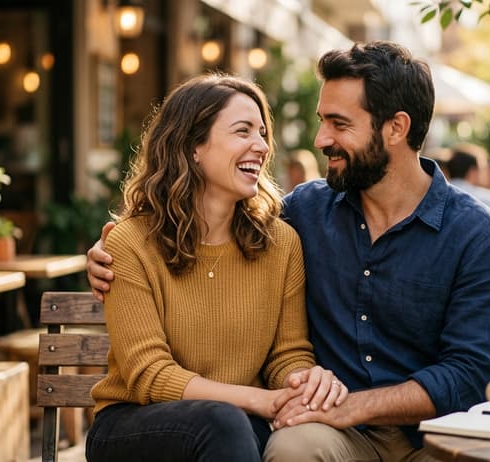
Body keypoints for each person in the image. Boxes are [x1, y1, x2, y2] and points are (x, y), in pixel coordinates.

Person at [88, 41, 490, 461]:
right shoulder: (303, 214)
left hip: (435, 436)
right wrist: (109, 252)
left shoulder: (476, 236)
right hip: (318, 431)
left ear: (396, 128)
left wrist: (336, 398)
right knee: (287, 445)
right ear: (192, 146)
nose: (320, 139)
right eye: (321, 121)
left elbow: (469, 373)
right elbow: (187, 243)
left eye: (339, 124)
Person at [84, 74, 347, 462]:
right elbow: (149, 374)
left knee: (269, 434)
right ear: (193, 146)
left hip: (237, 425)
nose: (260, 146)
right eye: (242, 131)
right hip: (134, 425)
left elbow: (286, 354)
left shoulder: (281, 244)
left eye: (262, 133)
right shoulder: (130, 243)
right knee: (226, 424)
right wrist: (259, 399)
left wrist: (302, 382)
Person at [444, 143, 490, 219]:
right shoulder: (488, 200)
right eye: (483, 168)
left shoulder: (436, 193)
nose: (486, 173)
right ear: (473, 171)